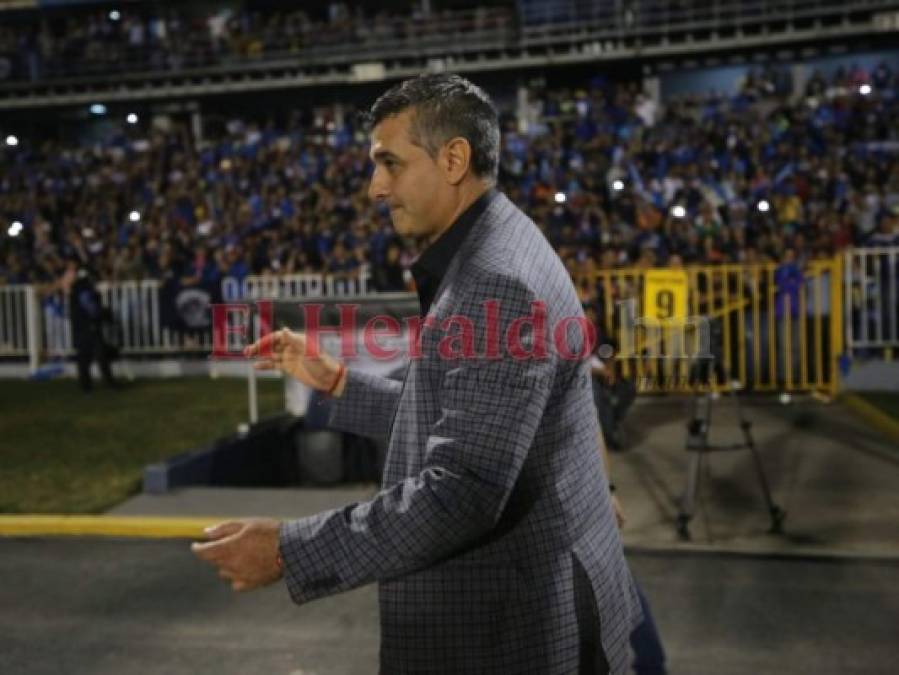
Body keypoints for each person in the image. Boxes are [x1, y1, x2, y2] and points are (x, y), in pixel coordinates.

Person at [192, 73, 642, 674]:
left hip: (507, 636)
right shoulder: (499, 238)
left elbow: (463, 490)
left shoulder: (493, 280)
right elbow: (463, 410)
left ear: (454, 159)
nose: (376, 187)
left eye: (390, 163)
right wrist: (337, 383)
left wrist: (288, 551)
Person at [61, 261, 116, 392]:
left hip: (80, 327)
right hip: (89, 326)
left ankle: (86, 386)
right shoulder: (83, 288)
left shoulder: (77, 288)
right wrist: (102, 314)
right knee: (100, 355)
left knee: (84, 358)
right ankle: (108, 384)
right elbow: (90, 308)